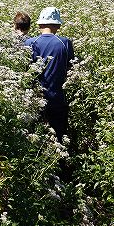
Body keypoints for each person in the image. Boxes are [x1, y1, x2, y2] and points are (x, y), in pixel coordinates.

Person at [25, 7, 74, 142]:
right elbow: (70, 68)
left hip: (33, 99)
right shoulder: (65, 43)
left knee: (34, 137)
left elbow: (24, 71)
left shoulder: (29, 43)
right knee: (59, 137)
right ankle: (60, 162)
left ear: (40, 24)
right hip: (57, 98)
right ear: (58, 25)